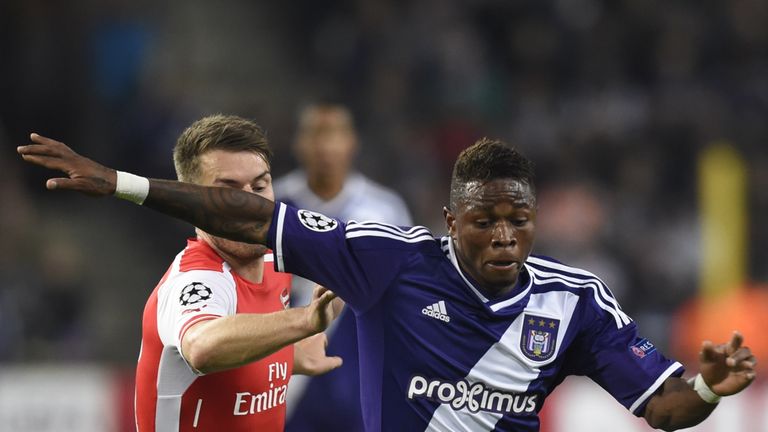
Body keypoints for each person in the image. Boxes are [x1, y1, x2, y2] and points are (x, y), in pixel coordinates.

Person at [19, 135, 758, 432]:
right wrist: (124, 184)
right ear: (449, 219)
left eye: (518, 220)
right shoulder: (389, 259)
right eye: (484, 220)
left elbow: (659, 409)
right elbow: (248, 214)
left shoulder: (576, 302)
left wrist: (703, 390)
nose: (503, 236)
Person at [120, 115, 344, 431]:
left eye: (260, 185)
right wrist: (304, 321)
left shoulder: (274, 258)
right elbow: (202, 347)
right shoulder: (196, 279)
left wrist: (286, 355)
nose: (249, 202)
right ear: (192, 202)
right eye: (228, 190)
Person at [274, 102, 413, 432]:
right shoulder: (274, 204)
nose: (324, 146)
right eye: (315, 135)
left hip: (359, 367)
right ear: (299, 143)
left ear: (352, 142)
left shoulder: (385, 210)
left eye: (334, 135)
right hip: (287, 370)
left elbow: (405, 293)